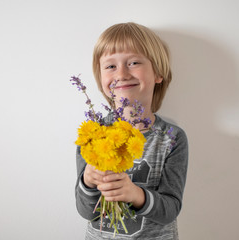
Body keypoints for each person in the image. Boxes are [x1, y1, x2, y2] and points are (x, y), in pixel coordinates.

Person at [75, 22, 189, 239]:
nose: (122, 73)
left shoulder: (172, 139)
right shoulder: (92, 134)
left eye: (134, 62)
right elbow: (85, 211)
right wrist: (88, 182)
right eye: (110, 66)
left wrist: (137, 195)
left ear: (158, 73)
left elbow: (171, 209)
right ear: (101, 79)